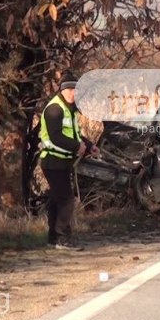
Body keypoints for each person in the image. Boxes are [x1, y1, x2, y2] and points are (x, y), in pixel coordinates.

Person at [38, 72, 99, 250]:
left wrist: (88, 146)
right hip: (53, 161)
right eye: (70, 90)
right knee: (66, 200)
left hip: (63, 162)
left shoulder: (69, 109)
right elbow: (56, 137)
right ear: (63, 90)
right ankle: (63, 238)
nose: (73, 93)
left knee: (57, 200)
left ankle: (53, 238)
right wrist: (76, 147)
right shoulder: (55, 109)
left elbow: (74, 135)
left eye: (76, 90)